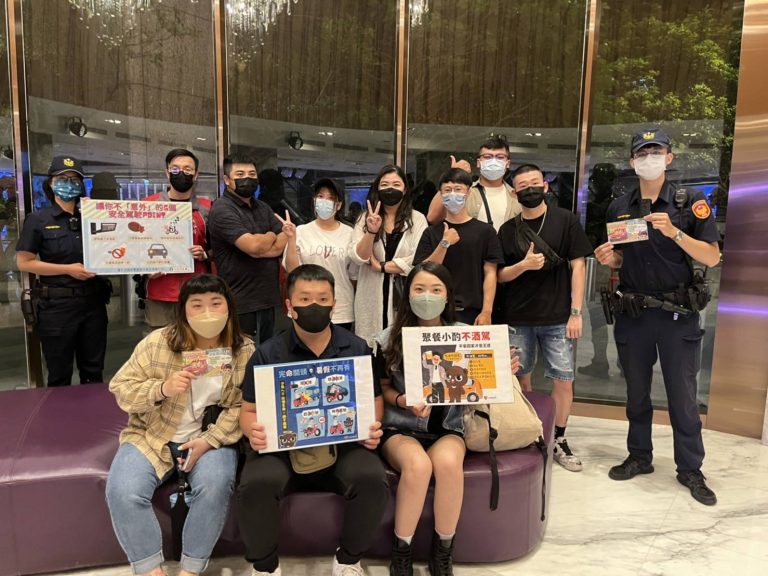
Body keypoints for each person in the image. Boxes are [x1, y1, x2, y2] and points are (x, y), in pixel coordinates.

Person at [594, 127, 721, 505]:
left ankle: (690, 468)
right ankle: (639, 456)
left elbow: (712, 256)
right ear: (632, 161)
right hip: (634, 313)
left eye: (656, 151)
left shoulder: (690, 203)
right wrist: (611, 259)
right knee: (636, 392)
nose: (649, 158)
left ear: (668, 158)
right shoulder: (620, 207)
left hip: (677, 315)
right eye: (642, 153)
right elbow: (623, 258)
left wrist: (675, 233)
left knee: (683, 396)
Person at [237, 264, 387, 576]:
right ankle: (265, 567)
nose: (314, 306)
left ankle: (348, 560)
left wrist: (371, 426)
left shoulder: (356, 347)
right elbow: (248, 411)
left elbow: (373, 399)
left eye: (322, 299)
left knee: (372, 479)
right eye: (304, 299)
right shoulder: (267, 353)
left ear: (334, 304)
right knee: (257, 483)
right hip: (282, 449)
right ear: (289, 306)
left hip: (342, 444)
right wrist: (253, 432)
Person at [106, 274, 255, 576]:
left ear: (229, 307)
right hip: (152, 434)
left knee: (215, 487)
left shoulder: (243, 349)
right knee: (123, 491)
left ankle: (191, 569)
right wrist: (162, 389)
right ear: (183, 310)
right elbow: (121, 388)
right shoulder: (157, 343)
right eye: (197, 305)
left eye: (216, 303)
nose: (207, 312)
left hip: (210, 439)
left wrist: (210, 440)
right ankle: (150, 569)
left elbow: (242, 405)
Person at [497, 163, 593, 472]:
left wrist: (576, 313)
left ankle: (559, 438)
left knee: (563, 378)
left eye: (534, 183)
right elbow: (499, 275)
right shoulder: (507, 230)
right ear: (515, 193)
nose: (530, 189)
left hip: (557, 317)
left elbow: (579, 266)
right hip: (518, 316)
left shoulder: (565, 221)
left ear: (546, 186)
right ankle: (530, 432)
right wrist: (523, 266)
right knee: (520, 377)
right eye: (523, 186)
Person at [373, 261, 464, 576]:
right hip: (402, 428)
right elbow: (382, 388)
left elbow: (481, 385)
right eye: (420, 288)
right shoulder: (388, 338)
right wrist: (403, 400)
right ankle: (402, 553)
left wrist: (503, 370)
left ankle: (443, 553)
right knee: (418, 466)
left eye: (436, 290)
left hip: (447, 428)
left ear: (447, 295)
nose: (427, 296)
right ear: (408, 293)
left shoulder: (465, 336)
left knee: (448, 465)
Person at [16, 155, 110, 386]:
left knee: (94, 370)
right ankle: (59, 411)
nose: (68, 184)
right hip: (57, 307)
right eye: (62, 178)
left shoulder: (93, 216)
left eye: (74, 179)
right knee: (59, 373)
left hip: (93, 303)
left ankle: (93, 409)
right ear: (50, 183)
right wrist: (67, 270)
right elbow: (24, 262)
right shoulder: (38, 219)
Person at [208, 154, 287, 344]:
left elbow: (285, 237)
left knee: (266, 355)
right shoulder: (222, 209)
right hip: (240, 302)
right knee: (243, 356)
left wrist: (261, 246)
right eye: (240, 174)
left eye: (252, 174)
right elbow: (254, 246)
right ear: (227, 180)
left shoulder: (263, 207)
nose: (247, 178)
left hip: (267, 300)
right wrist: (270, 235)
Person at [349, 164, 428, 347]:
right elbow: (358, 257)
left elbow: (418, 258)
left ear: (405, 189)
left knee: (402, 346)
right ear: (377, 188)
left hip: (402, 294)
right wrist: (371, 231)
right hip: (371, 293)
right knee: (372, 348)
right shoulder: (364, 218)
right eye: (384, 184)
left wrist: (381, 266)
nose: (390, 189)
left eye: (396, 184)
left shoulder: (417, 219)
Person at [414, 168, 504, 326]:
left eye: (458, 189)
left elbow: (490, 273)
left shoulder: (486, 231)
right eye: (447, 190)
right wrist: (444, 243)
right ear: (441, 194)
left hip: (473, 312)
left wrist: (486, 311)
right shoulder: (431, 232)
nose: (453, 194)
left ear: (468, 192)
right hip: (434, 311)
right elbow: (423, 271)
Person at [143, 149, 212, 330]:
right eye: (175, 169)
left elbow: (219, 247)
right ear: (167, 172)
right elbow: (133, 245)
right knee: (159, 343)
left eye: (187, 169)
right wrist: (145, 269)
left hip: (198, 292)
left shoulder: (207, 208)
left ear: (195, 175)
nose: (181, 173)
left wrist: (205, 254)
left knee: (199, 341)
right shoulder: (148, 205)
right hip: (160, 293)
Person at [279, 178, 358, 330]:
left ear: (339, 205)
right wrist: (291, 239)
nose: (324, 201)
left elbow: (354, 276)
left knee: (340, 344)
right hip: (305, 305)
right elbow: (292, 270)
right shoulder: (301, 231)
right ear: (314, 201)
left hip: (340, 307)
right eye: (320, 196)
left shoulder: (350, 233)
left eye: (330, 198)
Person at [426, 136, 521, 231]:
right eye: (487, 157)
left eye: (500, 157)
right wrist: (453, 175)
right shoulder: (464, 192)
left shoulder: (517, 196)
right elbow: (433, 218)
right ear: (478, 162)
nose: (493, 161)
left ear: (508, 163)